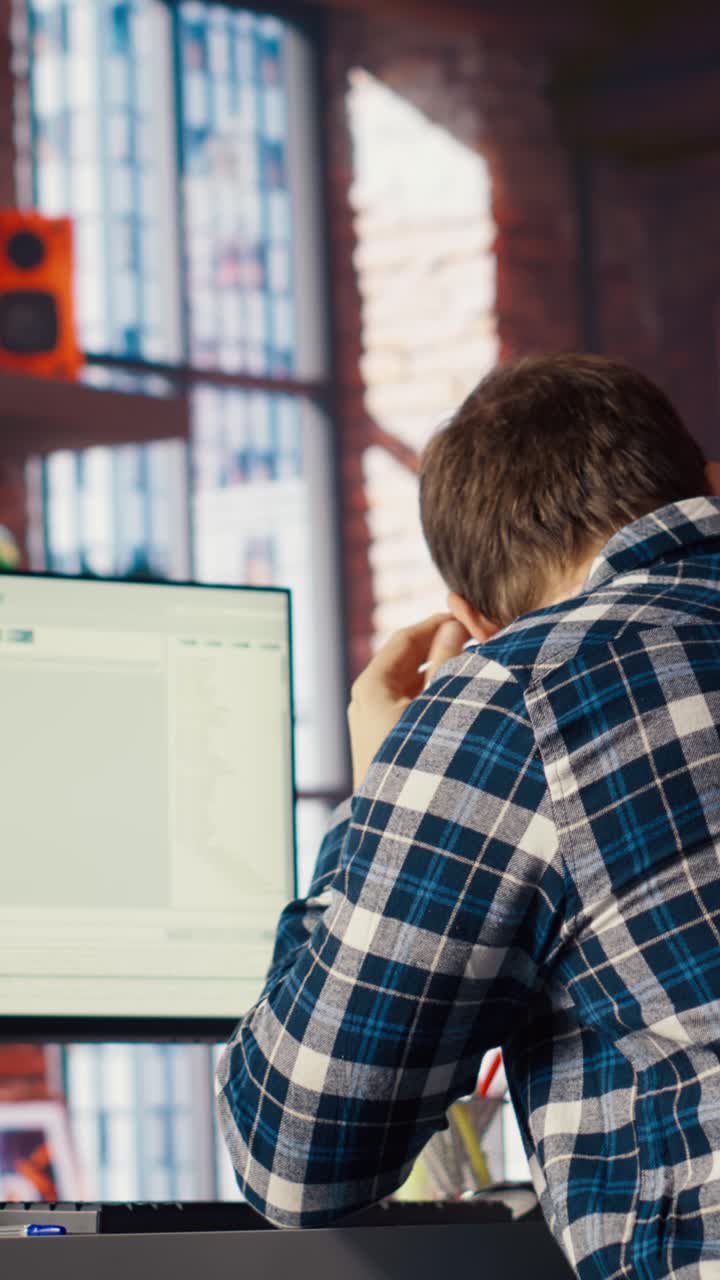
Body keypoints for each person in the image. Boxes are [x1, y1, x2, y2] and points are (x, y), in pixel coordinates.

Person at [216, 353, 720, 1279]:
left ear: (472, 617)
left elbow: (293, 1154)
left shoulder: (520, 689)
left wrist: (379, 797)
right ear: (712, 487)